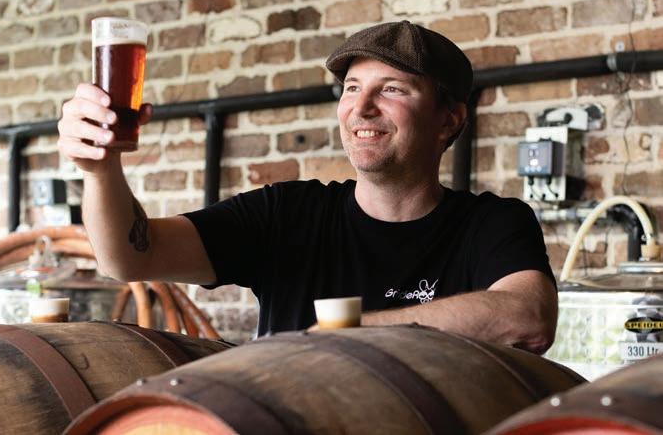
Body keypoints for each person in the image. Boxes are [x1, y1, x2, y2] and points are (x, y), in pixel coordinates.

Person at [57, 20, 557, 354]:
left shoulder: (490, 223)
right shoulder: (287, 214)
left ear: (449, 120)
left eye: (391, 89)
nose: (361, 108)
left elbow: (528, 317)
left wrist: (344, 334)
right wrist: (100, 169)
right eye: (352, 88)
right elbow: (130, 257)